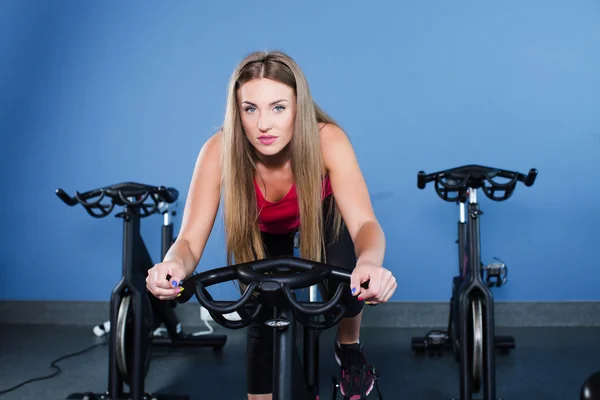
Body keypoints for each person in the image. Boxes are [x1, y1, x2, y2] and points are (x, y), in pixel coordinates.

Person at [146, 50, 397, 400]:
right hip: (264, 227)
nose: (264, 124)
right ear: (238, 113)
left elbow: (365, 224)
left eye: (278, 107)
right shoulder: (218, 151)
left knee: (348, 276)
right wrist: (173, 264)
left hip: (319, 212)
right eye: (251, 109)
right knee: (262, 322)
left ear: (299, 107)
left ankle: (348, 346)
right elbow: (187, 241)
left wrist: (370, 263)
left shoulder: (328, 140)